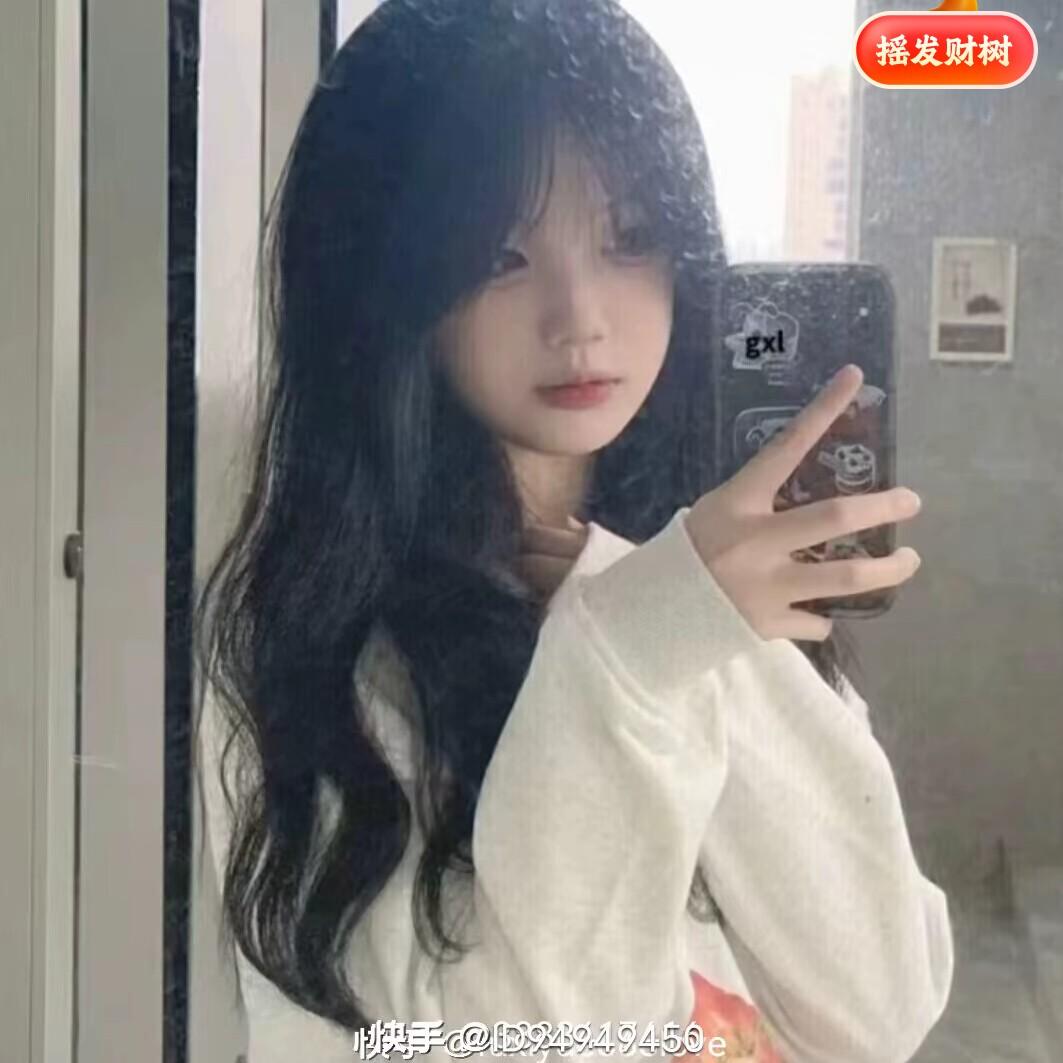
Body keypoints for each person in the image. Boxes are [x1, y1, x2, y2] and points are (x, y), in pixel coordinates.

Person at [193, 2, 954, 1061]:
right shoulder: (327, 644)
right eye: (498, 256)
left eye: (629, 237)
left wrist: (686, 614)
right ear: (390, 282)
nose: (579, 315)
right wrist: (629, 649)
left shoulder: (699, 570)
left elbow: (880, 1005)